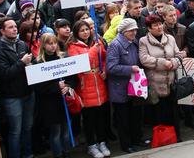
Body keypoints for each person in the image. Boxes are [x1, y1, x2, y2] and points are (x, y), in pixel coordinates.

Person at [0, 18, 35, 158]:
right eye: (10, 27)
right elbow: (5, 74)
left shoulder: (22, 44)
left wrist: (32, 65)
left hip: (28, 93)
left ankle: (28, 154)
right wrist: (22, 63)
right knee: (15, 130)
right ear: (2, 31)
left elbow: (30, 62)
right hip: (12, 97)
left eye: (15, 26)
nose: (14, 29)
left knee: (27, 127)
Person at [67, 20, 110, 158]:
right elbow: (80, 64)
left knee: (101, 117)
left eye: (87, 29)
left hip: (99, 83)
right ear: (76, 33)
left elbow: (104, 58)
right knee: (89, 119)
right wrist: (93, 50)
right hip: (85, 85)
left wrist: (104, 70)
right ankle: (92, 145)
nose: (86, 32)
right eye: (82, 30)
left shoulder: (96, 42)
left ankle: (102, 141)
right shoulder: (73, 47)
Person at [139, 15, 184, 141]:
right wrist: (163, 63)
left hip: (171, 81)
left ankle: (176, 136)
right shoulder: (144, 41)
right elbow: (144, 59)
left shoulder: (170, 38)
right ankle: (163, 138)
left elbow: (178, 54)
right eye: (155, 25)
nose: (159, 27)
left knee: (173, 111)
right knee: (159, 112)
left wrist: (174, 63)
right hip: (155, 83)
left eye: (160, 24)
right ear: (149, 28)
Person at [106, 18, 144, 154]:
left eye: (135, 30)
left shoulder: (133, 42)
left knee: (135, 115)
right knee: (123, 119)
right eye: (131, 30)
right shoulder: (115, 45)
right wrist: (130, 69)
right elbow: (110, 67)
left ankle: (137, 139)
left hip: (134, 85)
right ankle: (126, 144)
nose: (134, 32)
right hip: (120, 88)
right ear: (123, 31)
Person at [34, 34, 71, 158]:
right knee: (55, 132)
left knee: (65, 130)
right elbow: (39, 87)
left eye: (54, 43)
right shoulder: (38, 62)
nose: (53, 46)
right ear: (43, 45)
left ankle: (66, 151)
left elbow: (73, 77)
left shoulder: (63, 57)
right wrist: (56, 86)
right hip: (49, 103)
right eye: (50, 43)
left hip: (64, 100)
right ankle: (58, 153)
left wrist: (67, 86)